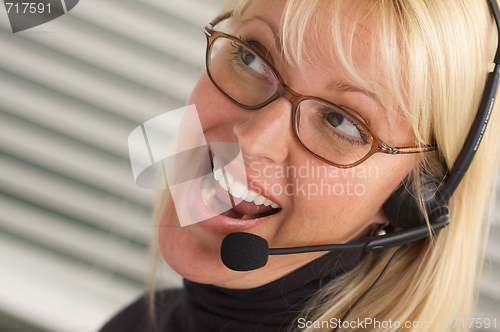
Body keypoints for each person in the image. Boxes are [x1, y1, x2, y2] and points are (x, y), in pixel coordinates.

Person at [99, 0, 500, 331]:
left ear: (413, 196)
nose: (254, 140)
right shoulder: (143, 321)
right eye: (252, 58)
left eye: (341, 121)